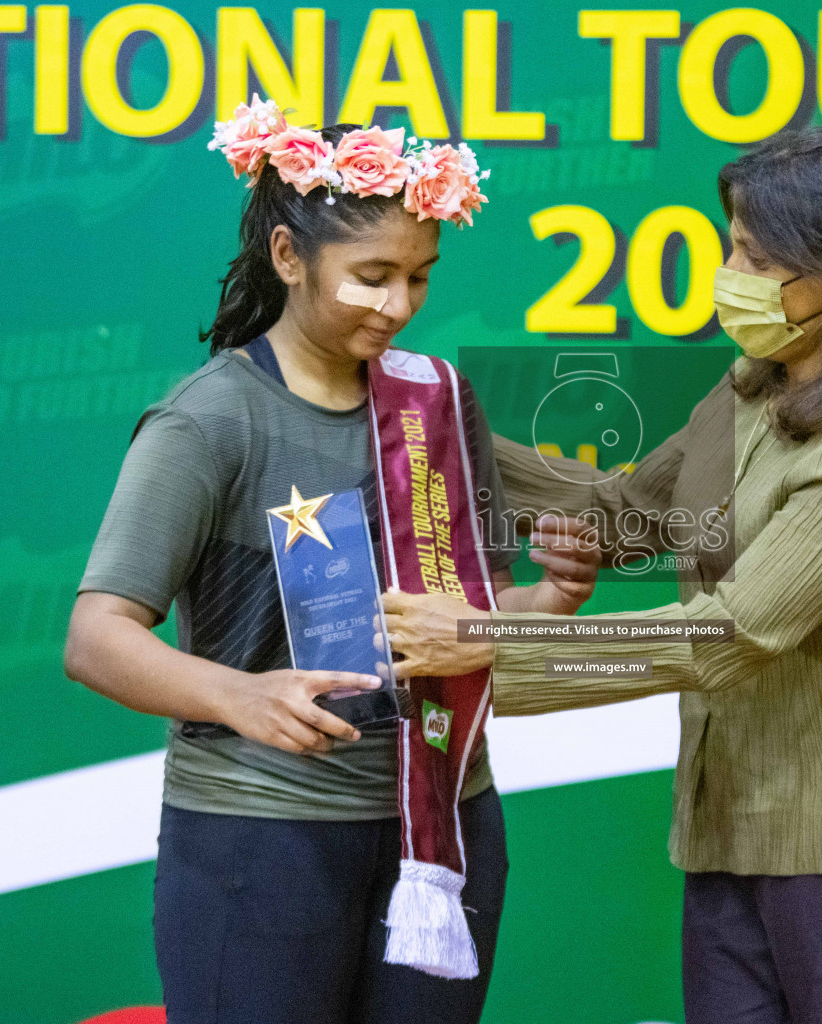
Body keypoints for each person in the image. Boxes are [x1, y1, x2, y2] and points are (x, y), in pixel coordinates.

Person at [382, 125, 822, 1024]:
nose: (728, 272)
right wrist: (426, 424)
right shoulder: (748, 392)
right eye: (732, 244)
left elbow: (728, 634)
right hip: (730, 823)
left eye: (754, 255)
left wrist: (485, 641)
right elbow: (625, 516)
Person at [64, 98, 599, 1024]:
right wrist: (240, 695)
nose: (399, 305)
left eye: (420, 278)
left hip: (442, 829)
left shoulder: (437, 401)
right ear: (288, 258)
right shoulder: (209, 422)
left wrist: (552, 600)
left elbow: (474, 628)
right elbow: (95, 638)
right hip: (261, 837)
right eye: (372, 276)